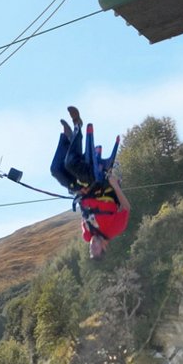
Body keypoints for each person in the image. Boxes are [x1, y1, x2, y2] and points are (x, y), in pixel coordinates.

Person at [50, 108, 131, 258]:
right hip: (98, 184)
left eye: (90, 249)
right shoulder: (115, 229)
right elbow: (126, 207)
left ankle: (67, 137)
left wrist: (78, 194)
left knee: (56, 170)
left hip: (83, 190)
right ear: (105, 246)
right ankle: (77, 127)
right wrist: (114, 184)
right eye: (96, 248)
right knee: (71, 163)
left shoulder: (87, 234)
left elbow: (85, 212)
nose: (92, 245)